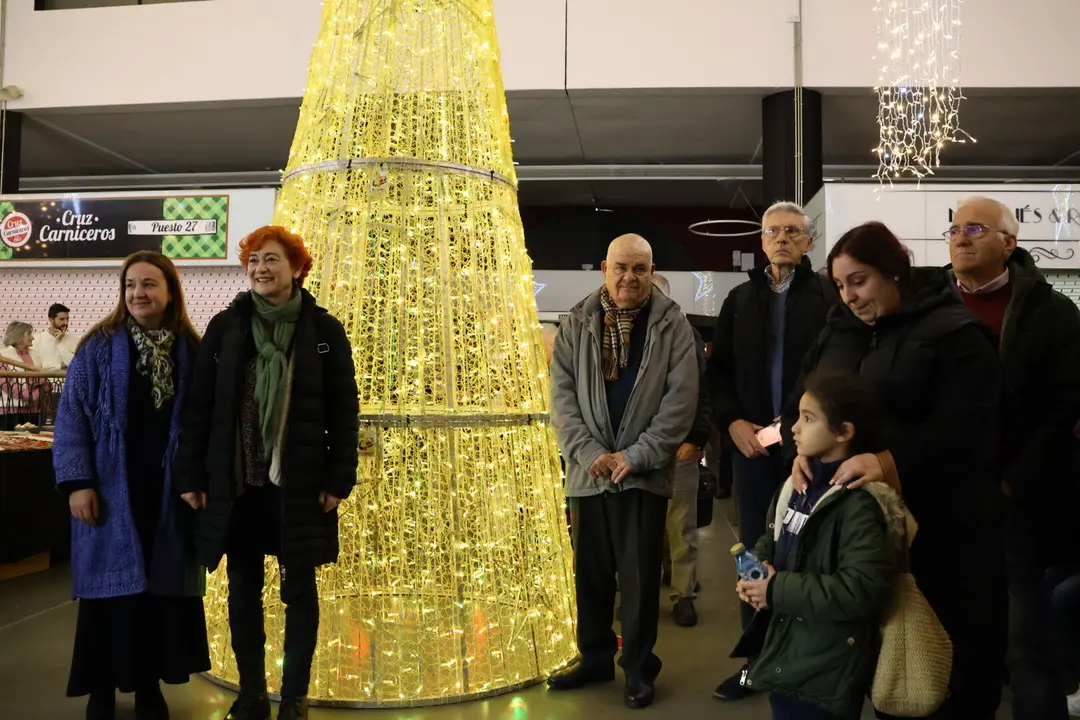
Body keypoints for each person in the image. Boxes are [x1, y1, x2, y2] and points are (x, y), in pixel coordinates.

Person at [785, 221, 1006, 719]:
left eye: (859, 281)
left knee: (948, 670)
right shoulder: (837, 331)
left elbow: (969, 429)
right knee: (884, 671)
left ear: (894, 271)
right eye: (840, 286)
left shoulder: (956, 335)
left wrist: (888, 462)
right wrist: (803, 449)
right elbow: (804, 401)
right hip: (866, 533)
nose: (850, 297)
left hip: (947, 534)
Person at [176, 225, 359, 720]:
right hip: (237, 486)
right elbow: (199, 407)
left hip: (297, 486)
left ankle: (294, 697)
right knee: (242, 590)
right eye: (253, 259)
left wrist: (338, 480)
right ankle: (252, 692)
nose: (260, 268)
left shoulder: (323, 331)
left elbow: (344, 413)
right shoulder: (226, 328)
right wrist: (191, 477)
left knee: (299, 591)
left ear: (297, 268)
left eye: (271, 259)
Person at [51, 251, 209, 720]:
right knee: (108, 596)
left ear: (169, 291)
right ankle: (101, 688)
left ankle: (147, 688)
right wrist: (78, 482)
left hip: (164, 492)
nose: (138, 294)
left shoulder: (190, 349)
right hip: (108, 489)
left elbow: (201, 421)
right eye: (130, 286)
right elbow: (71, 417)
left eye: (149, 285)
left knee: (158, 596)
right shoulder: (98, 345)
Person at [548, 234, 698, 709]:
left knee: (638, 580)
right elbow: (562, 397)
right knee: (589, 575)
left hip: (643, 475)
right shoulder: (575, 323)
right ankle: (594, 657)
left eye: (639, 268)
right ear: (604, 268)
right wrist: (588, 450)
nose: (629, 278)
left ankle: (637, 666)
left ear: (652, 272)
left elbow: (680, 403)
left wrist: (638, 455)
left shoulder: (675, 327)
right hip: (588, 474)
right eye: (621, 268)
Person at [946, 196, 1080, 720]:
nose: (960, 237)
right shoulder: (932, 303)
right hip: (947, 497)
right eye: (954, 229)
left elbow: (1066, 405)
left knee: (1028, 634)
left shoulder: (1051, 311)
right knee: (956, 630)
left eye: (975, 228)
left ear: (1009, 242)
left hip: (1021, 499)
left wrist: (1015, 478)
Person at [707, 201, 836, 701]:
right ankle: (755, 663)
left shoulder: (828, 297)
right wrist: (732, 422)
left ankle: (809, 660)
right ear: (761, 242)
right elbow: (718, 374)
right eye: (773, 232)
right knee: (754, 553)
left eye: (793, 232)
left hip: (812, 447)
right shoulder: (739, 300)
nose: (781, 239)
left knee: (810, 552)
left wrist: (798, 423)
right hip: (752, 451)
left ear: (808, 242)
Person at [735, 372, 905, 720]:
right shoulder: (800, 482)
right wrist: (759, 570)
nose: (794, 428)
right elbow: (776, 535)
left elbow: (860, 591)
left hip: (826, 672)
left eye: (808, 419)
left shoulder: (858, 504)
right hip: (788, 654)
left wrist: (777, 589)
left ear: (844, 432)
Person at [651, 272, 714, 627]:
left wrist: (697, 439)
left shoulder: (686, 335)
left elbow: (701, 391)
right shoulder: (628, 333)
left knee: (681, 526)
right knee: (647, 526)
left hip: (679, 447)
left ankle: (684, 595)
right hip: (640, 450)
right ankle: (658, 585)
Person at [36, 303, 79, 369]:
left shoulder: (75, 340)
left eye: (67, 319)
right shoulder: (38, 339)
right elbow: (38, 368)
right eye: (61, 319)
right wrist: (60, 366)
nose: (66, 323)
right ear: (51, 320)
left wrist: (59, 343)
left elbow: (74, 364)